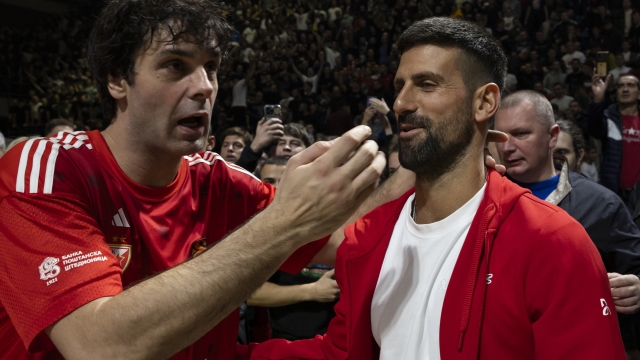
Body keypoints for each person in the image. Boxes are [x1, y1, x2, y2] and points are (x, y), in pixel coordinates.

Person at [0, 1, 389, 359]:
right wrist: (285, 221)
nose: (204, 86)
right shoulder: (45, 169)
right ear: (117, 80)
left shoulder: (219, 178)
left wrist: (416, 167)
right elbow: (100, 347)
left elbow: (354, 241)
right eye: (175, 65)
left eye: (212, 67)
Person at [251, 17, 624, 359]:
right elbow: (343, 352)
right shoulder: (368, 239)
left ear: (485, 102)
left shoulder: (552, 240)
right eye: (399, 86)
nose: (400, 103)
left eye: (426, 85)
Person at [494, 90, 640, 358]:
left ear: (552, 137)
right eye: (501, 137)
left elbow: (635, 265)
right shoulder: (484, 200)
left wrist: (637, 287)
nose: (508, 147)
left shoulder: (601, 205)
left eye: (521, 134)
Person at [590, 73, 640, 199]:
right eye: (620, 86)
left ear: (639, 93)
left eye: (630, 85)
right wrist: (598, 99)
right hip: (614, 192)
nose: (625, 89)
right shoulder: (608, 117)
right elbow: (594, 130)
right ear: (616, 93)